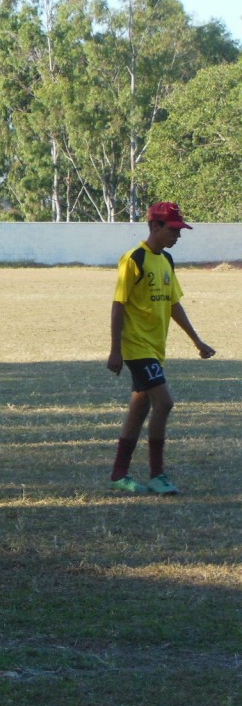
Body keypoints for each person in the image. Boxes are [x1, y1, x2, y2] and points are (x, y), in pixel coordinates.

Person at [106, 201, 215, 495]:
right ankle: (157, 474)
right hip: (136, 346)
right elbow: (118, 305)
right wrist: (115, 350)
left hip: (155, 348)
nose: (178, 235)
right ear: (155, 226)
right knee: (164, 403)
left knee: (139, 409)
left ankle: (119, 474)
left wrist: (196, 340)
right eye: (173, 229)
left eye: (180, 230)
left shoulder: (166, 261)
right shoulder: (134, 259)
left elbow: (173, 304)